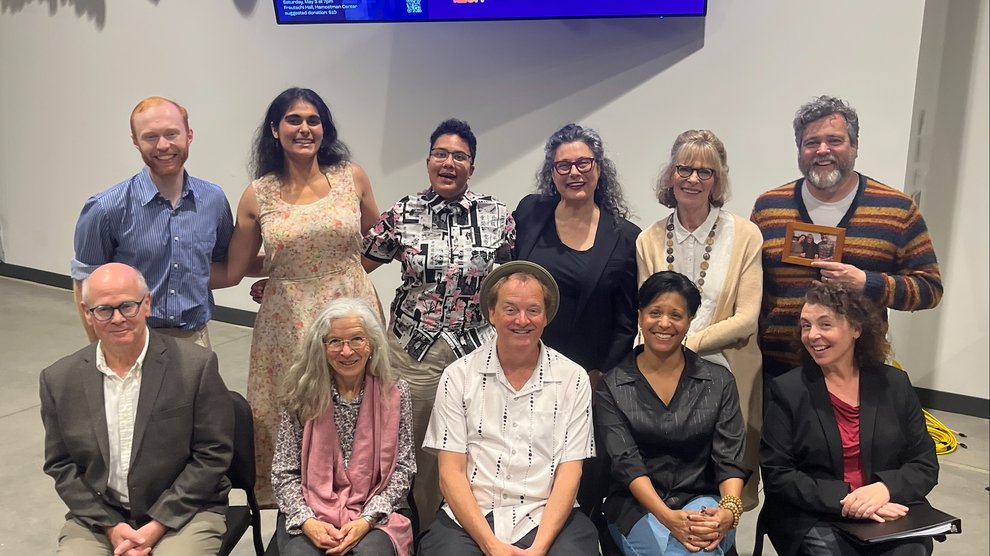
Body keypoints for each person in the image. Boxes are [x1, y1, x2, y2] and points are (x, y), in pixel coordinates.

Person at [211, 87, 382, 505]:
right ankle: (298, 508)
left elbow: (379, 244)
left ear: (324, 129)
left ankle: (359, 505)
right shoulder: (258, 194)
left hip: (350, 313)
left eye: (313, 120)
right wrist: (161, 278)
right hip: (287, 323)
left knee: (356, 409)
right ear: (275, 129)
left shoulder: (352, 177)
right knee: (295, 412)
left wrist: (344, 273)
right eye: (293, 120)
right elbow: (236, 267)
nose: (304, 128)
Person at [361, 119, 515, 528]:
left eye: (459, 156)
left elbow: (514, 277)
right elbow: (356, 267)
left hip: (476, 348)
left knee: (477, 441)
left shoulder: (497, 215)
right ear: (428, 161)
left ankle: (466, 527)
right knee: (410, 447)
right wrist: (285, 279)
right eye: (441, 154)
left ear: (472, 167)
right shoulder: (403, 213)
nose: (449, 163)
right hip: (413, 351)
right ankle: (415, 528)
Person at [40, 263, 234, 555]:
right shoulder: (59, 379)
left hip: (185, 510)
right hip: (100, 515)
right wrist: (111, 526)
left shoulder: (195, 367)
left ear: (147, 304)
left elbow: (212, 454)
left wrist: (157, 525)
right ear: (86, 312)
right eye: (104, 310)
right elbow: (61, 465)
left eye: (127, 306)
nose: (117, 318)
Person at [751, 95, 943, 381]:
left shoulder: (897, 210)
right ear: (799, 149)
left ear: (854, 146)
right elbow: (749, 286)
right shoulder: (769, 208)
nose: (823, 150)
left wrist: (867, 283)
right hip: (776, 373)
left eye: (834, 140)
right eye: (811, 142)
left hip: (858, 376)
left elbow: (930, 289)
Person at [418, 261, 598, 555]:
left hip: (546, 514)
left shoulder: (573, 378)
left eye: (533, 310)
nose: (522, 320)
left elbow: (570, 473)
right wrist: (490, 545)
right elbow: (450, 473)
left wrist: (538, 549)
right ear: (492, 313)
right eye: (510, 309)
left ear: (546, 316)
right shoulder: (458, 376)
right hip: (471, 516)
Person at [513, 123, 639, 526]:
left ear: (599, 168)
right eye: (563, 165)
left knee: (579, 480)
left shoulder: (624, 236)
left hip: (587, 380)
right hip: (525, 371)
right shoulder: (530, 213)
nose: (574, 173)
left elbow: (627, 319)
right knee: (524, 472)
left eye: (583, 163)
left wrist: (601, 373)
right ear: (551, 173)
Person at [760, 282, 939, 556]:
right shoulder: (788, 390)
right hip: (816, 513)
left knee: (910, 550)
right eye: (806, 326)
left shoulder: (895, 384)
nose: (812, 335)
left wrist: (883, 489)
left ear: (856, 328)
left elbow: (924, 464)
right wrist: (850, 500)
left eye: (825, 324)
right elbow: (778, 474)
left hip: (885, 505)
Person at [636, 129, 763, 509]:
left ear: (717, 180)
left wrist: (685, 345)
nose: (692, 179)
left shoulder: (746, 235)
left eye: (705, 172)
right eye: (684, 169)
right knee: (664, 476)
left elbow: (746, 318)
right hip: (661, 373)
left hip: (728, 371)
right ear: (670, 175)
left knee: (723, 483)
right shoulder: (648, 239)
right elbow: (647, 313)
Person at [596, 271, 748, 556]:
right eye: (655, 312)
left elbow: (730, 458)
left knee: (697, 548)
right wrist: (667, 517)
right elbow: (626, 463)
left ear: (690, 320)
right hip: (637, 506)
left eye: (676, 315)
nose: (664, 323)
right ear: (640, 316)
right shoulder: (612, 386)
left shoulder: (719, 381)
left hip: (703, 500)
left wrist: (729, 510)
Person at [71, 96, 233, 348]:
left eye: (171, 133)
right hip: (131, 341)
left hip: (196, 340)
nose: (163, 145)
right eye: (150, 137)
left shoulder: (214, 200)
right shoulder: (105, 208)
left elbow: (219, 263)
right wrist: (101, 350)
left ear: (189, 135)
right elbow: (84, 282)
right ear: (135, 141)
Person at [271, 298, 414, 555]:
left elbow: (403, 469)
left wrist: (367, 519)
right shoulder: (301, 393)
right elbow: (284, 472)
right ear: (321, 346)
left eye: (357, 339)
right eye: (335, 341)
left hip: (374, 510)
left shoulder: (394, 392)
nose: (347, 352)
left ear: (372, 344)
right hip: (311, 509)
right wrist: (308, 521)